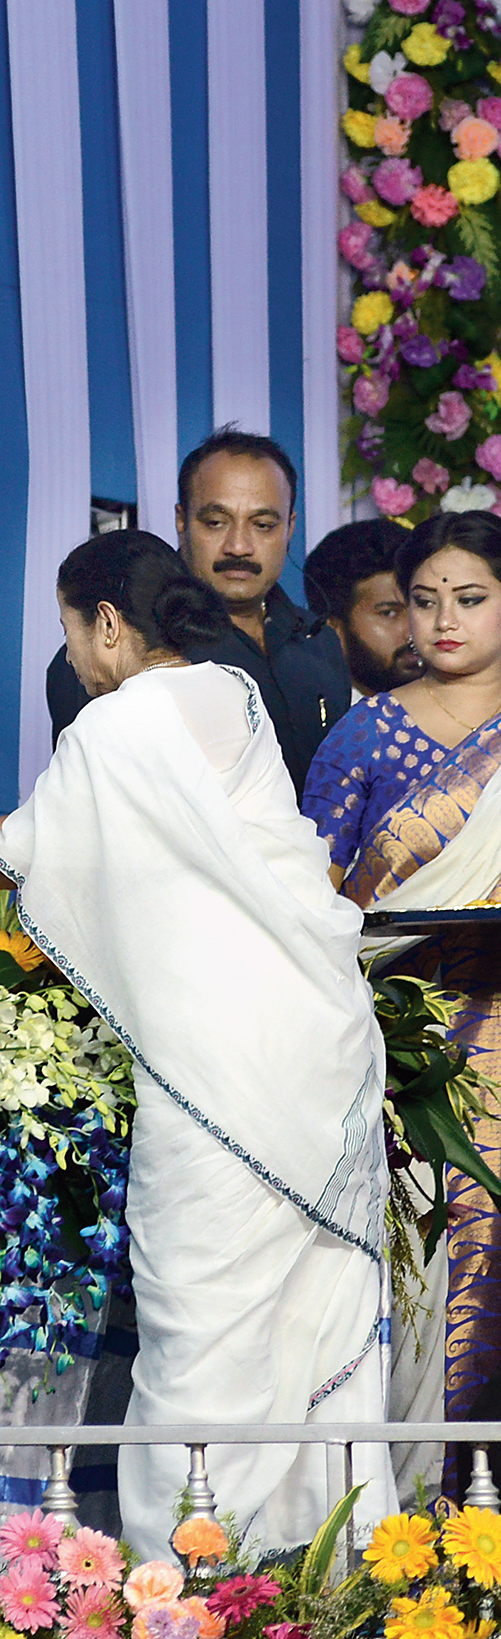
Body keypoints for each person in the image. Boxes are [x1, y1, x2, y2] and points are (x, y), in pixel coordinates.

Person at [0, 529, 395, 1557]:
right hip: (319, 1044)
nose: (76, 657)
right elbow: (57, 828)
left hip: (217, 1074)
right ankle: (327, 1569)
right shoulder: (237, 697)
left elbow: (15, 849)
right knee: (311, 1312)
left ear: (110, 622)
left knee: (197, 1330)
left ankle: (193, 1583)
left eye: (75, 632)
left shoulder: (117, 730)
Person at [302, 510, 501, 1499]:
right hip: (416, 1055)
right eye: (424, 601)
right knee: (440, 1275)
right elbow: (317, 901)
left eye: (469, 598)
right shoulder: (366, 734)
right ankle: (427, 1516)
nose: (442, 620)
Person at [46, 427, 350, 798]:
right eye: (215, 522)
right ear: (181, 519)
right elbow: (89, 807)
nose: (239, 546)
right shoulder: (122, 640)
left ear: (290, 526)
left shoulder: (318, 640)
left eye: (263, 525)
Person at [303, 518, 421, 698]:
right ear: (333, 630)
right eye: (389, 613)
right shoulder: (318, 721)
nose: (413, 631)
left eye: (423, 605)